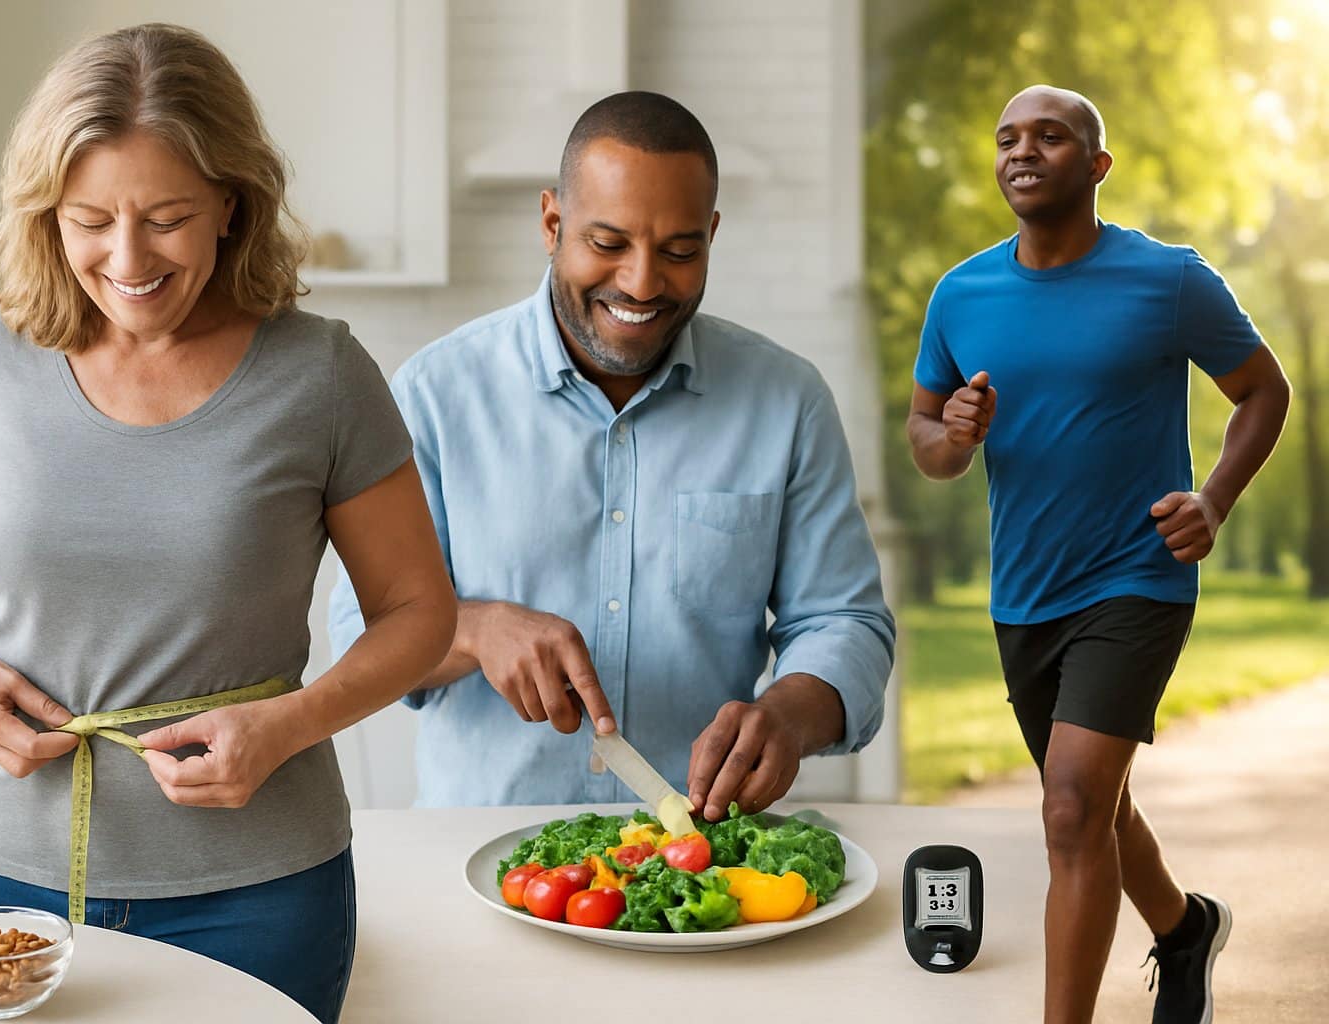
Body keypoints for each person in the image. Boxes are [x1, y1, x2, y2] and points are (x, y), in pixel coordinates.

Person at [0, 24, 455, 1023]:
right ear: (48, 215)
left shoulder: (322, 375)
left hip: (258, 889)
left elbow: (418, 610)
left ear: (231, 202)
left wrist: (287, 725)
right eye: (89, 219)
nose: (126, 257)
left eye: (167, 217)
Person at [329, 91, 895, 820]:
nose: (641, 282)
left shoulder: (787, 401)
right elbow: (358, 632)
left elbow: (843, 622)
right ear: (552, 223)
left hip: (700, 866)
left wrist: (788, 713)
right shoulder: (434, 394)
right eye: (607, 243)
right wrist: (474, 628)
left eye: (680, 251)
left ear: (712, 235)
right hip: (483, 854)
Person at [907, 85, 1290, 1024]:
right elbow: (926, 440)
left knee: (1072, 809)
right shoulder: (961, 294)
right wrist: (952, 432)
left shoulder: (1169, 281)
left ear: (1096, 165)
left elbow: (1263, 390)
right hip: (1024, 591)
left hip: (1138, 575)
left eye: (1050, 135)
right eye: (1006, 138)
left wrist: (1213, 498)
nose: (1021, 151)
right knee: (1095, 803)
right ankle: (1186, 926)